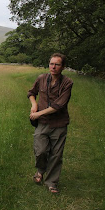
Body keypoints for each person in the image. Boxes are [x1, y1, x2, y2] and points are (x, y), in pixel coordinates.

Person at [27, 53, 73, 194]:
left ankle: (51, 182)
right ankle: (41, 170)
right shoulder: (41, 78)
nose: (53, 67)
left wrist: (38, 114)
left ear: (63, 67)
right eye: (51, 64)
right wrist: (34, 104)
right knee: (40, 150)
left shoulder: (67, 83)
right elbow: (31, 92)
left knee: (56, 154)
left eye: (57, 64)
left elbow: (58, 105)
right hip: (43, 123)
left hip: (59, 123)